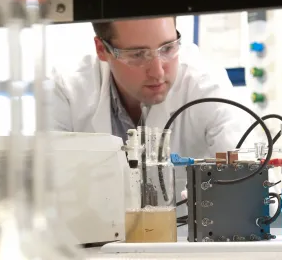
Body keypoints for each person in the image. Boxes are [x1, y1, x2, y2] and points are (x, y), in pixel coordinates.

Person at [50, 16, 254, 160]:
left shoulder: (205, 85)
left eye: (167, 48)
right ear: (102, 50)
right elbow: (45, 192)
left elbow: (253, 187)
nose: (157, 72)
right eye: (138, 54)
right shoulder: (68, 91)